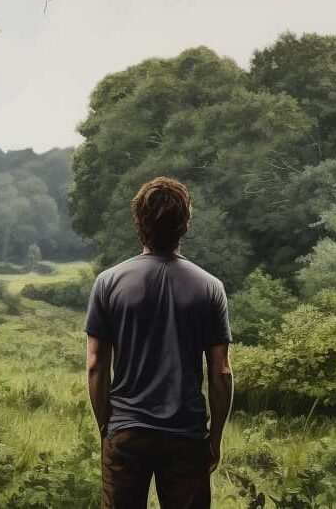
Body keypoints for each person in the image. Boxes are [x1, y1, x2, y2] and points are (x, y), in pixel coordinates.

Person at [85, 176, 234, 509]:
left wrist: (106, 428)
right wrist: (216, 438)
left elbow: (96, 364)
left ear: (138, 219)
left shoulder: (108, 283)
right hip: (186, 435)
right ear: (185, 222)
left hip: (126, 431)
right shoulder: (209, 287)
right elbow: (221, 372)